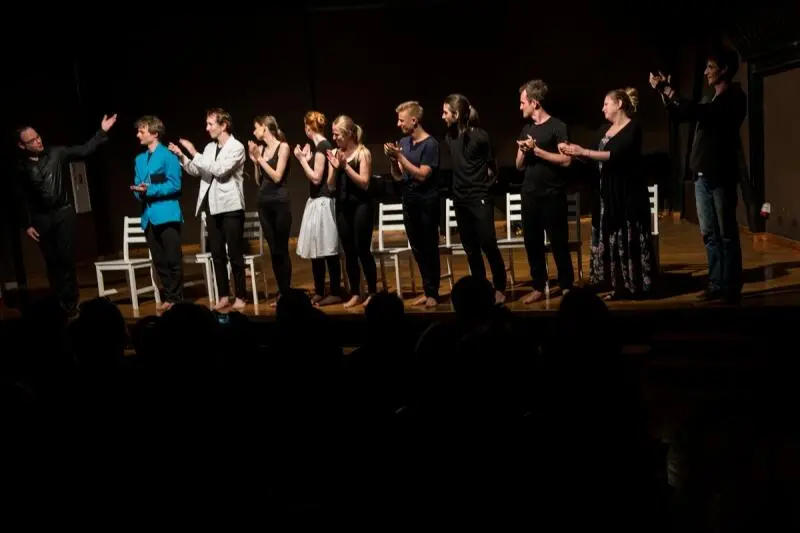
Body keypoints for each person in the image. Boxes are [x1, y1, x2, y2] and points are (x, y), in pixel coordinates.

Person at [650, 46, 746, 304]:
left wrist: (669, 91)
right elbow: (680, 114)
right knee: (710, 234)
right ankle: (716, 284)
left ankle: (730, 287)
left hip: (721, 175)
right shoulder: (709, 99)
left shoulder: (734, 98)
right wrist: (664, 94)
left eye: (710, 67)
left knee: (726, 233)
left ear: (725, 69)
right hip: (703, 176)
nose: (705, 72)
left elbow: (700, 113)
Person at [14, 114, 118, 317]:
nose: (38, 141)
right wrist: (26, 224)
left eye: (38, 137)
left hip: (63, 214)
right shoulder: (21, 168)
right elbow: (20, 197)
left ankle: (70, 302)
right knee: (52, 261)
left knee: (66, 259)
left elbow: (84, 149)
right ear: (22, 146)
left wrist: (102, 131)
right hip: (42, 219)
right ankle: (58, 302)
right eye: (32, 141)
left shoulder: (55, 153)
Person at [560, 88, 655, 300]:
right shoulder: (604, 129)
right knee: (607, 239)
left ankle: (631, 285)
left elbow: (618, 155)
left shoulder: (633, 128)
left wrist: (585, 152)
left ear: (619, 104)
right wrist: (575, 152)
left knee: (624, 237)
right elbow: (593, 157)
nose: (602, 108)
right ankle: (611, 283)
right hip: (604, 196)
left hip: (625, 196)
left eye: (606, 104)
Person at [169, 108, 247, 311]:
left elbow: (219, 170)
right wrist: (183, 156)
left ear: (223, 125)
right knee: (217, 254)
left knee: (235, 254)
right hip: (212, 206)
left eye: (211, 124)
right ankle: (223, 295)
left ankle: (240, 295)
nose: (207, 128)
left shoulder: (237, 147)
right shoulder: (210, 147)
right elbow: (199, 170)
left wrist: (194, 151)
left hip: (230, 206)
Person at [441, 94, 506, 305]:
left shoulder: (480, 136)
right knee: (471, 248)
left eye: (445, 112)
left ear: (456, 114)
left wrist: (483, 188)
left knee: (488, 243)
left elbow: (493, 168)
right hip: (460, 200)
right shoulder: (450, 137)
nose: (442, 116)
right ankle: (481, 288)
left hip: (479, 198)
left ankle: (500, 287)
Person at [515, 80, 575, 303]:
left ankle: (566, 285)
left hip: (552, 194)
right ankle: (538, 286)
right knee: (532, 243)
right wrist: (523, 151)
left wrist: (537, 151)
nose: (520, 106)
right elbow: (518, 165)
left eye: (523, 102)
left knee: (559, 243)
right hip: (530, 195)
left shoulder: (557, 126)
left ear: (534, 103)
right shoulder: (526, 129)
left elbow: (567, 160)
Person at [385, 100, 441, 308]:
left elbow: (422, 175)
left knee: (429, 247)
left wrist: (400, 156)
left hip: (427, 202)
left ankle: (433, 292)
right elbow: (399, 176)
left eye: (402, 120)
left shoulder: (430, 144)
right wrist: (393, 160)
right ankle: (427, 290)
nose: (398, 124)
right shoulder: (404, 142)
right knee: (417, 248)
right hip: (409, 201)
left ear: (414, 120)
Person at [130, 115, 184, 312]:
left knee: (172, 259)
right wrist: (139, 192)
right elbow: (138, 182)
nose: (138, 135)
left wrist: (150, 190)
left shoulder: (168, 156)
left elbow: (175, 185)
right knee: (159, 260)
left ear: (154, 133)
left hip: (167, 214)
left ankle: (177, 298)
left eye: (141, 131)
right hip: (149, 216)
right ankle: (169, 295)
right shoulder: (139, 159)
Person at [327, 115, 378, 308]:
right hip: (342, 206)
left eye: (337, 134)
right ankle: (355, 292)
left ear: (349, 134)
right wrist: (334, 169)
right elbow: (330, 185)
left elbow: (364, 183)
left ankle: (372, 292)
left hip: (361, 206)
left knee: (362, 250)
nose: (334, 138)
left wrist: (345, 167)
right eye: (333, 134)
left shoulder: (362, 153)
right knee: (349, 252)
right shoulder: (335, 153)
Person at [294, 111, 343, 306]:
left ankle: (335, 291)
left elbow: (316, 178)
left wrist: (301, 160)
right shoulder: (319, 148)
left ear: (308, 128)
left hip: (323, 202)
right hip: (316, 202)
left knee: (328, 248)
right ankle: (320, 290)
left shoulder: (323, 146)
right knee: (317, 249)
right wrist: (308, 158)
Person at [248, 115, 292, 306]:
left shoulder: (283, 147)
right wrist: (255, 162)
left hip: (280, 203)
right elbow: (259, 180)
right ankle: (282, 292)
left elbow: (277, 176)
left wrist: (260, 159)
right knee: (273, 250)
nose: (254, 132)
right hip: (264, 203)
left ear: (265, 128)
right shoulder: (262, 149)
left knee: (281, 249)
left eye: (256, 128)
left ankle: (286, 293)